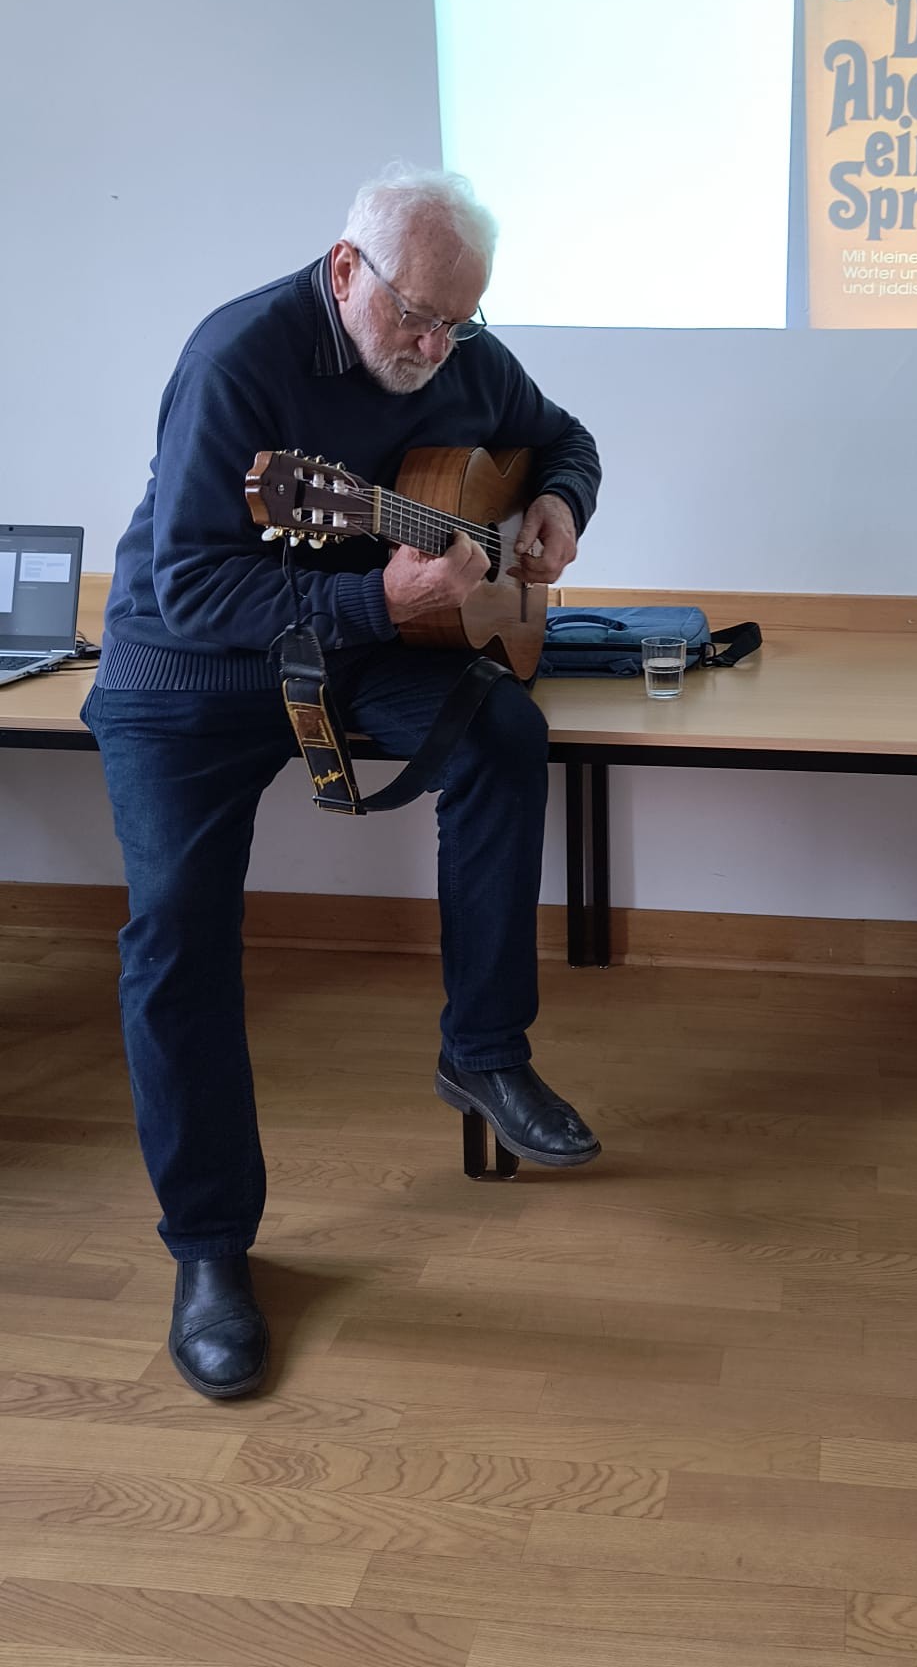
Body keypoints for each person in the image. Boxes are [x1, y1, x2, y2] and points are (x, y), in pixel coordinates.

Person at [84, 166, 601, 1400]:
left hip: (362, 636)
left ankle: (483, 1048)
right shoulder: (237, 361)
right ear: (344, 270)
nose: (435, 348)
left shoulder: (461, 352)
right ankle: (210, 1247)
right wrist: (376, 595)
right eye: (415, 317)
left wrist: (554, 505)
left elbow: (566, 438)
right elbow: (193, 583)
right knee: (176, 935)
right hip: (190, 663)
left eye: (459, 323)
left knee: (503, 734)